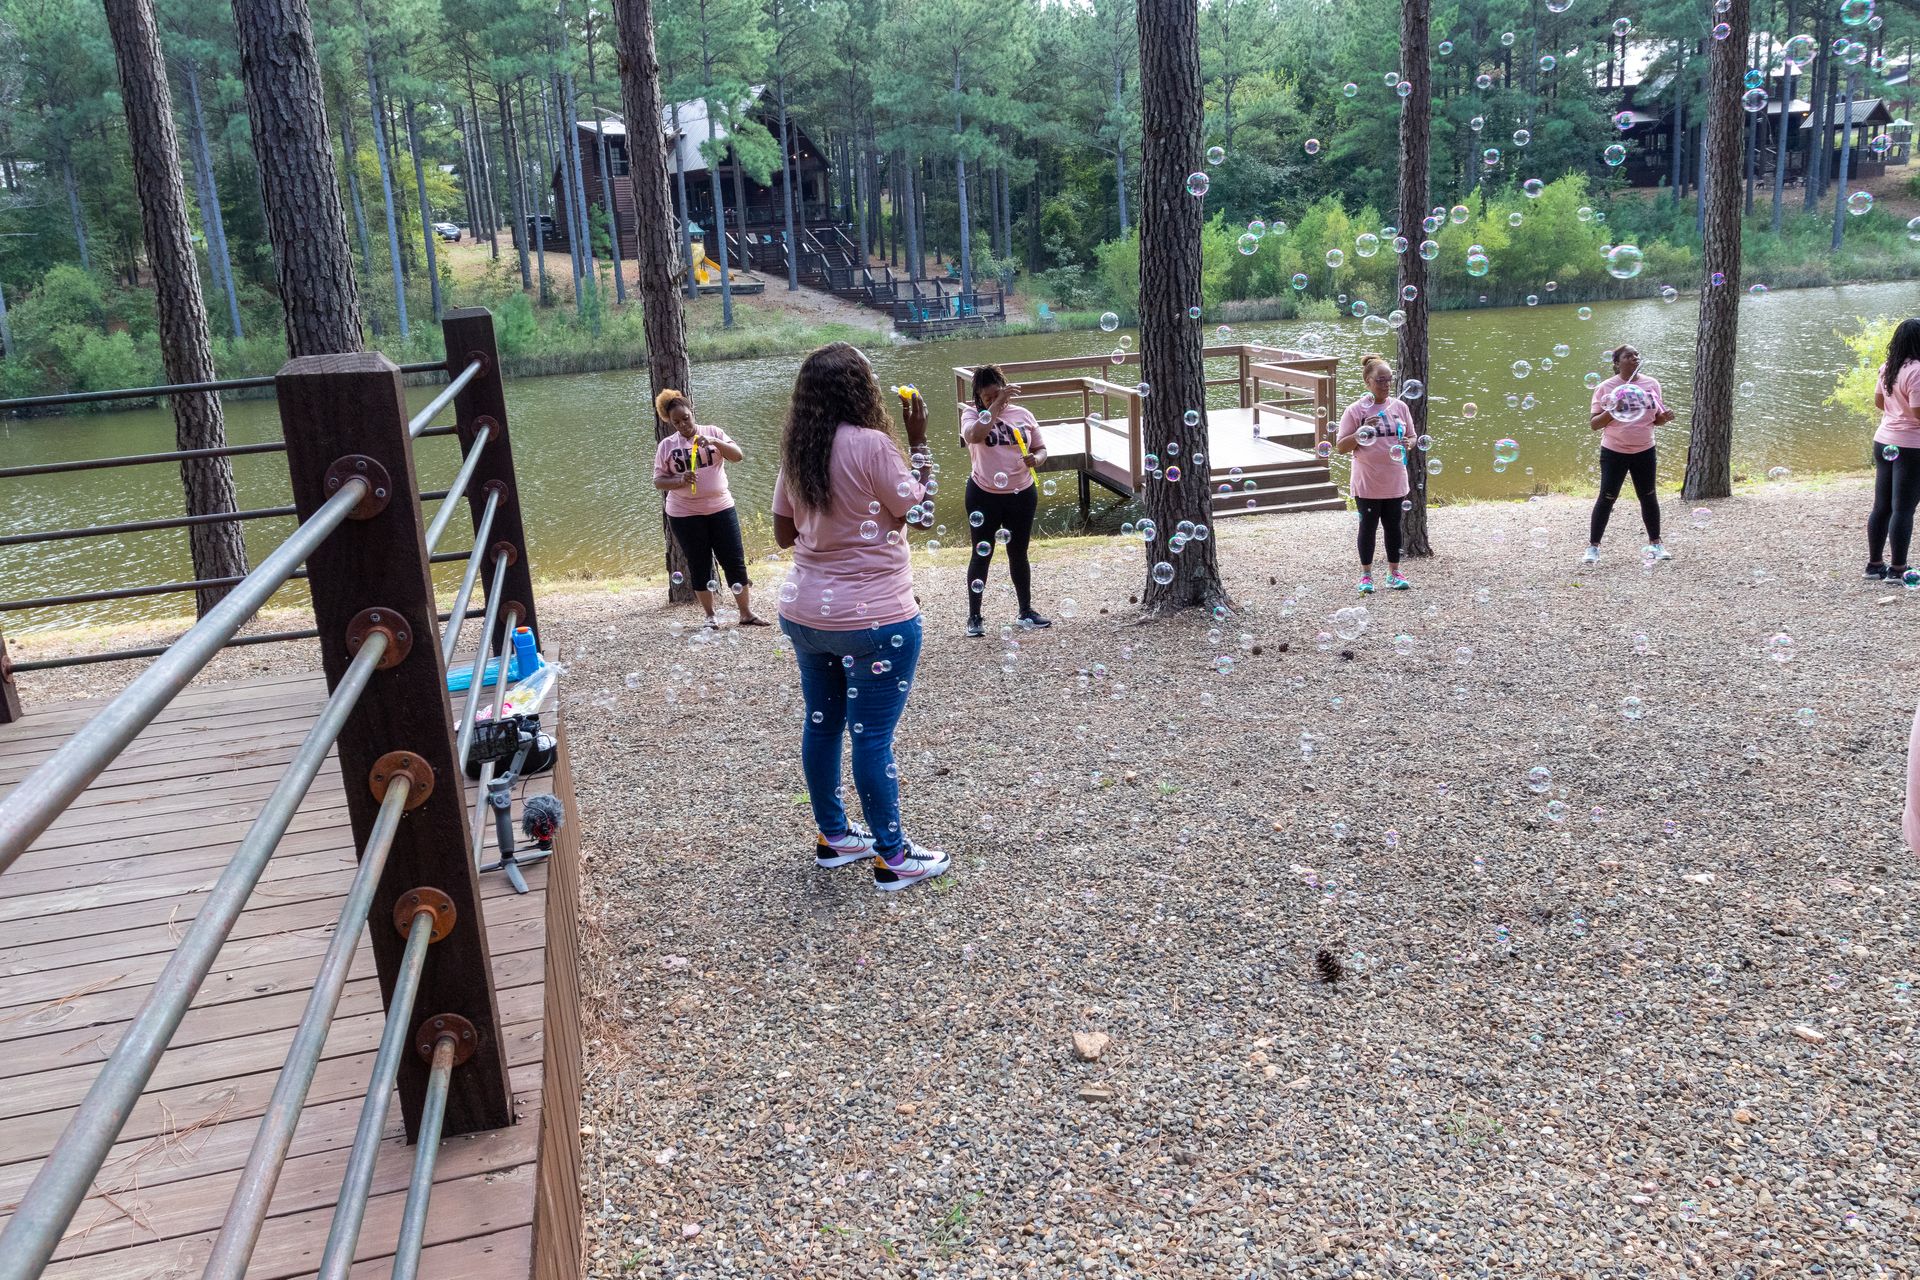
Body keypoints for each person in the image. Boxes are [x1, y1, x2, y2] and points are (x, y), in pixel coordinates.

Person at [771, 343, 950, 891]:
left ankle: (835, 837)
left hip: (806, 615)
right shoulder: (874, 445)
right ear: (861, 389)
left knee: (822, 724)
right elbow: (921, 514)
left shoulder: (798, 450)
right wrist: (918, 442)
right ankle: (892, 858)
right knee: (871, 737)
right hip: (876, 619)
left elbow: (783, 534)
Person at [651, 389, 765, 627]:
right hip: (684, 514)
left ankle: (746, 613)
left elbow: (738, 456)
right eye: (676, 422)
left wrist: (715, 443)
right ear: (671, 423)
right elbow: (659, 481)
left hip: (721, 508)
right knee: (699, 563)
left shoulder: (713, 432)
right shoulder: (667, 446)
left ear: (692, 412)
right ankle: (710, 616)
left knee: (734, 561)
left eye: (686, 418)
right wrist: (680, 479)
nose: (683, 425)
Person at [959, 364, 1050, 637]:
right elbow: (974, 436)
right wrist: (996, 405)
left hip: (1021, 493)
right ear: (978, 396)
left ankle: (1026, 611)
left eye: (997, 394)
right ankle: (974, 617)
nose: (993, 400)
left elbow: (1041, 448)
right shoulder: (971, 415)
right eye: (987, 397)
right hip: (983, 493)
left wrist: (1037, 459)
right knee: (981, 554)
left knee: (1018, 553)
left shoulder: (1023, 414)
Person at [1584, 344, 1676, 565]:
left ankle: (1656, 544)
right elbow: (1595, 424)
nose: (1635, 358)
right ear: (1617, 363)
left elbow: (1656, 419)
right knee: (1607, 498)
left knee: (1648, 496)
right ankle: (1593, 548)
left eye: (1636, 355)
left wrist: (1665, 418)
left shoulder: (1651, 384)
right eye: (1628, 356)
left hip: (1645, 449)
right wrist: (1613, 408)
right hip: (1614, 451)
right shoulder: (1606, 388)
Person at [1334, 354, 1415, 594]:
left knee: (1393, 527)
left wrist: (1409, 443)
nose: (1387, 384)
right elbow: (1341, 447)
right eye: (1381, 380)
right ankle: (1366, 575)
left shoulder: (1400, 407)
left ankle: (1394, 573)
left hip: (1395, 479)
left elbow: (1412, 436)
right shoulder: (1355, 410)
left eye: (1389, 379)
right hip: (1367, 481)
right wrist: (1361, 431)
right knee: (1368, 528)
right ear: (1367, 381)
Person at [1867, 318, 1920, 581]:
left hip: (1884, 441)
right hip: (1911, 446)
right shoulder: (1918, 371)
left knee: (1882, 506)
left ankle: (1874, 565)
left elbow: (1879, 402)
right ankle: (1898, 570)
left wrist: (1897, 412)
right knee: (1903, 509)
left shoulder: (1888, 366)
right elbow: (1918, 413)